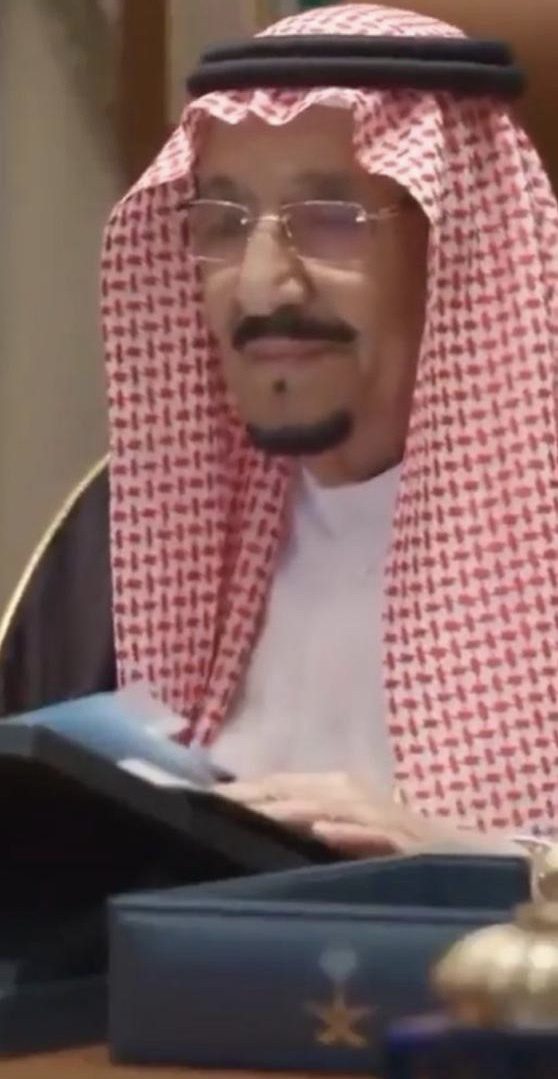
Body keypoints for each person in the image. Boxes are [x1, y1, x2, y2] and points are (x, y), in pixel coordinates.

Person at [100, 2, 558, 855]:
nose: (260, 284)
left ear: (457, 246)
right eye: (223, 223)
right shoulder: (124, 542)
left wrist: (460, 862)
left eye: (331, 218)